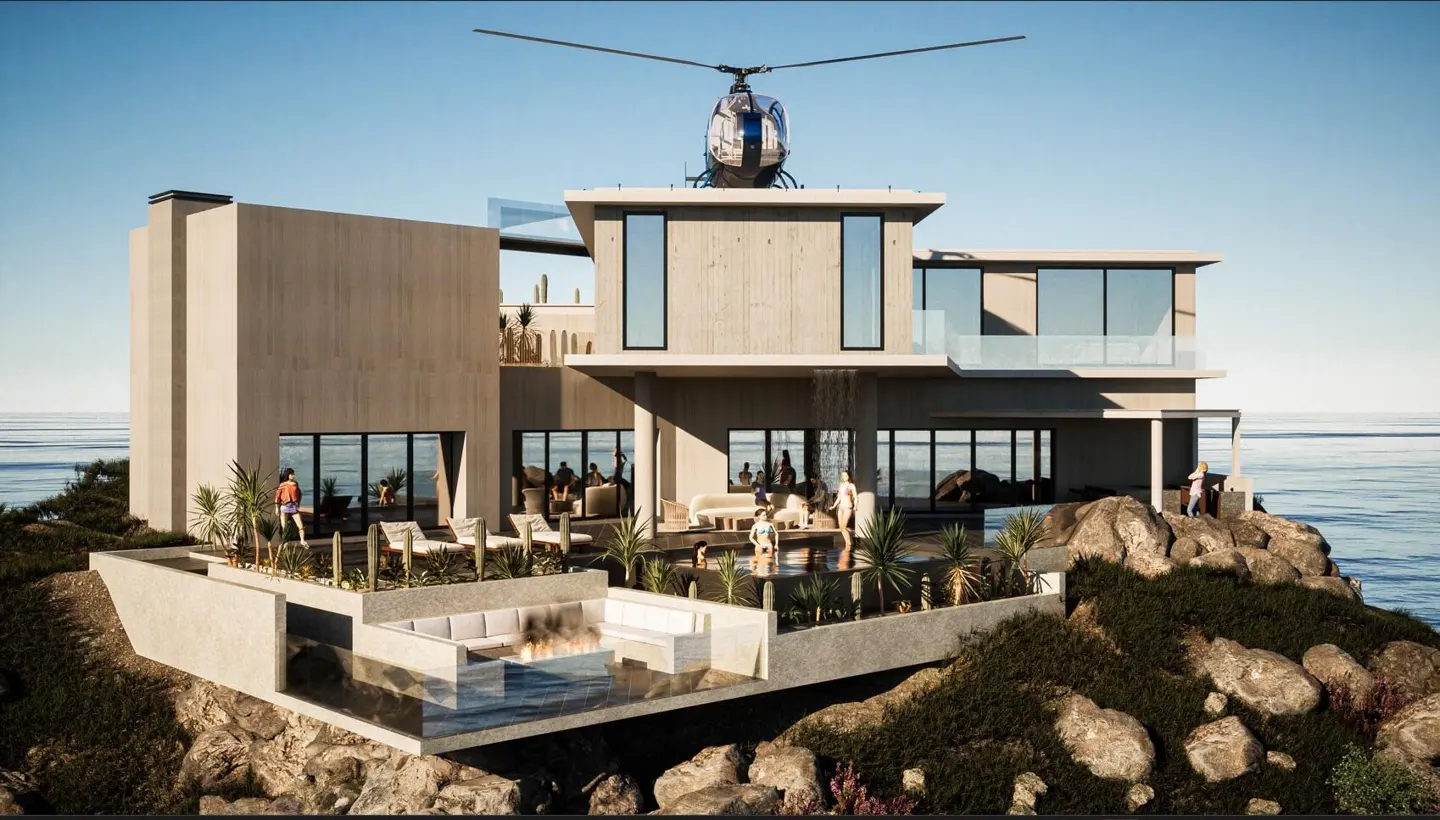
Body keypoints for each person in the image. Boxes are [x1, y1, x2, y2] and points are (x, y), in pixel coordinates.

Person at [274, 467, 307, 546]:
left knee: (300, 525)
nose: (293, 476)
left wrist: (298, 503)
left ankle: (302, 540)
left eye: (293, 474)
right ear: (288, 475)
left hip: (293, 506)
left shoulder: (295, 484)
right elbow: (277, 496)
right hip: (284, 506)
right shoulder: (283, 485)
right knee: (284, 527)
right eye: (291, 474)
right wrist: (276, 508)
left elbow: (299, 494)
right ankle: (285, 542)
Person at [831, 469, 858, 551]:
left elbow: (856, 497)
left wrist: (855, 506)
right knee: (841, 527)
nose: (844, 477)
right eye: (842, 476)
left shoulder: (851, 486)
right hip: (840, 508)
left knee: (844, 526)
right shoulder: (841, 485)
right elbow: (839, 497)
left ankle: (849, 544)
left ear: (849, 476)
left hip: (848, 507)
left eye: (845, 475)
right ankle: (848, 542)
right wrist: (834, 506)